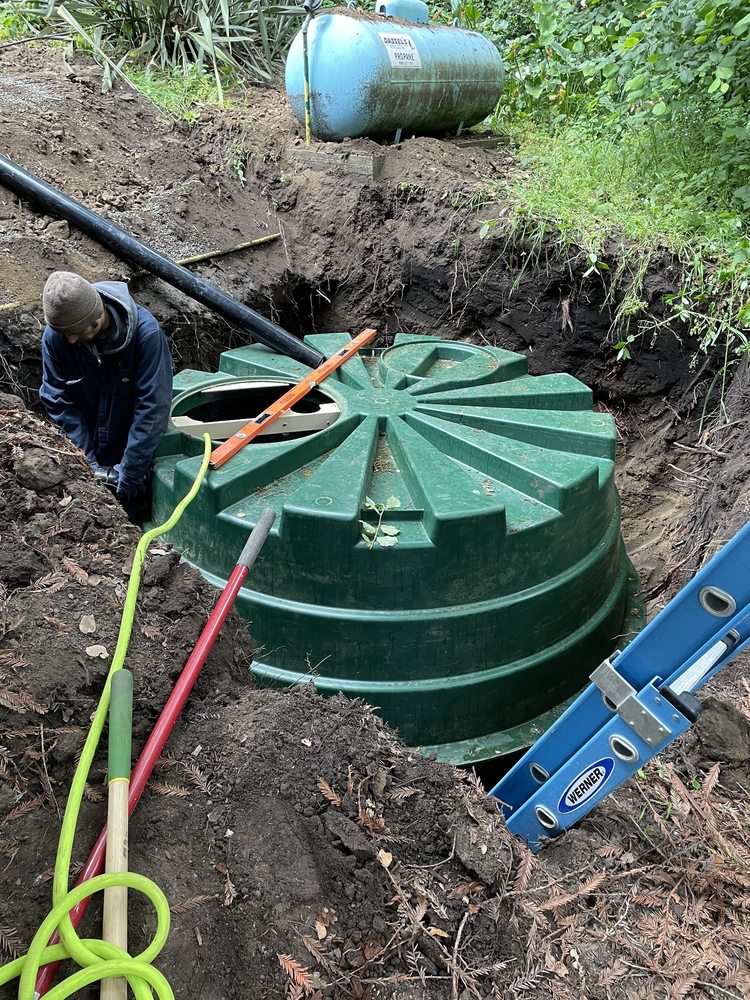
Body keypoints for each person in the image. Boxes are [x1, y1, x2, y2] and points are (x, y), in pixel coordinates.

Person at [39, 271, 173, 518]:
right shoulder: (56, 338)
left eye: (75, 332)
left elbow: (152, 409)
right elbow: (59, 402)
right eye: (63, 333)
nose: (69, 340)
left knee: (128, 520)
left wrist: (130, 473)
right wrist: (85, 464)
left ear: (96, 320)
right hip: (85, 447)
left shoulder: (146, 335)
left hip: (132, 452)